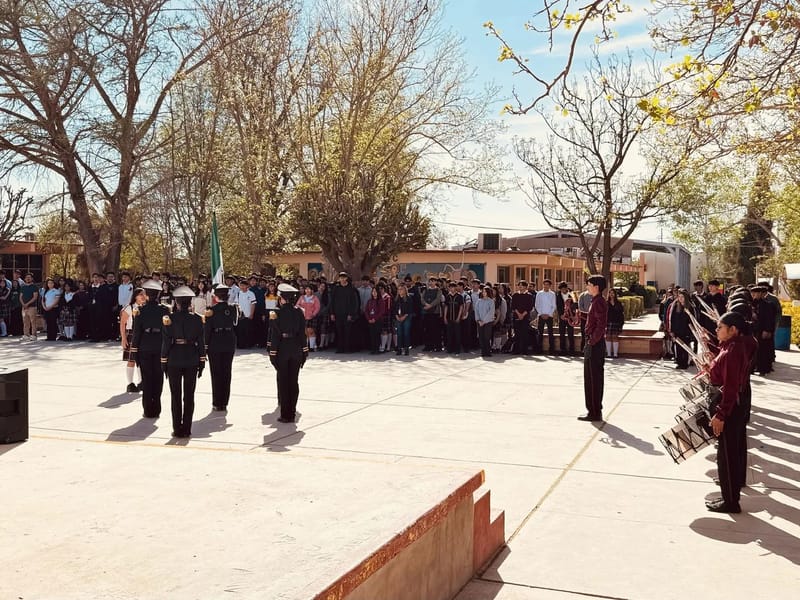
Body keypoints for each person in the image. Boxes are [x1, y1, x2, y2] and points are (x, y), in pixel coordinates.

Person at [703, 311, 755, 513]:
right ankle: (728, 497)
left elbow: (732, 386)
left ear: (733, 330)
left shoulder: (734, 350)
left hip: (730, 409)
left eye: (719, 327)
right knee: (726, 455)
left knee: (727, 456)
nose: (716, 330)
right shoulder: (731, 346)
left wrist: (721, 414)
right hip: (731, 407)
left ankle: (731, 502)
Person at [161, 285, 206, 438]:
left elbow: (166, 342)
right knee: (189, 396)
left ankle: (177, 428)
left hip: (174, 358)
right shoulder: (198, 319)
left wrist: (163, 360)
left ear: (177, 303)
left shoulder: (169, 319)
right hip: (192, 358)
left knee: (175, 396)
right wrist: (202, 361)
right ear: (190, 303)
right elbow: (201, 342)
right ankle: (186, 428)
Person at [268, 283, 308, 423]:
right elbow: (303, 334)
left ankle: (286, 414)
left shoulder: (276, 313)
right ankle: (292, 411)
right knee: (294, 381)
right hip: (296, 348)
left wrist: (272, 353)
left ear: (282, 299)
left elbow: (275, 336)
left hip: (283, 349)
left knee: (284, 382)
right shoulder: (299, 312)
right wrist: (304, 351)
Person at [131, 280, 170, 419]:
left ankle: (148, 409)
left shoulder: (140, 310)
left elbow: (136, 333)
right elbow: (168, 332)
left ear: (147, 295)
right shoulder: (165, 309)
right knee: (158, 378)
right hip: (160, 345)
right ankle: (157, 408)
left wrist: (134, 350)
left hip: (145, 346)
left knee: (147, 379)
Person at [204, 284, 238, 411]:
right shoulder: (233, 308)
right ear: (228, 296)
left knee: (216, 373)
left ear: (216, 297)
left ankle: (217, 402)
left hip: (215, 343)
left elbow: (207, 331)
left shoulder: (210, 310)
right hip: (229, 341)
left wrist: (205, 346)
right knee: (226, 372)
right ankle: (224, 402)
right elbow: (236, 323)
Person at [579, 275, 608, 422]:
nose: (587, 287)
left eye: (589, 284)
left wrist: (591, 341)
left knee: (593, 379)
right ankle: (593, 409)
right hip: (593, 343)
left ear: (596, 287)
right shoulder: (595, 301)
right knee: (590, 378)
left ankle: (595, 411)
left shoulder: (599, 302)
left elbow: (601, 326)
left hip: (595, 345)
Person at [120, 287, 146, 392]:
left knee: (142, 360)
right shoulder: (129, 308)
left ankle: (141, 382)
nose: (143, 296)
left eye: (144, 294)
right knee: (131, 360)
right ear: (135, 296)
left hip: (143, 335)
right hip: (132, 334)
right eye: (141, 294)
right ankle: (130, 383)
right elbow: (123, 323)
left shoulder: (145, 307)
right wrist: (123, 338)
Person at [330, 272, 361, 353]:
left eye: (344, 277)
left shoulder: (351, 289)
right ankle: (340, 348)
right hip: (337, 314)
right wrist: (332, 313)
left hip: (347, 314)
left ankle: (347, 348)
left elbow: (354, 303)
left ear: (346, 278)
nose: (342, 279)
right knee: (339, 332)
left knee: (348, 332)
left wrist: (351, 314)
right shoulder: (336, 289)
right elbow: (332, 301)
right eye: (341, 278)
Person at [668, 289, 694, 369]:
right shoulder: (676, 306)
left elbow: (692, 320)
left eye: (682, 297)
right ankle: (679, 363)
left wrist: (691, 332)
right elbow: (672, 319)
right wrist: (672, 330)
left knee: (685, 348)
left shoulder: (690, 307)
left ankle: (685, 363)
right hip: (677, 331)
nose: (680, 298)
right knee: (678, 348)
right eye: (679, 297)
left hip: (686, 331)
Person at [511, 281, 534, 355]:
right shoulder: (515, 295)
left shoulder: (529, 295)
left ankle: (524, 350)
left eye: (522, 285)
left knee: (525, 334)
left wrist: (523, 315)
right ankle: (516, 350)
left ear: (525, 287)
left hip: (525, 317)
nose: (520, 287)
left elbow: (530, 307)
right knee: (517, 333)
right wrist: (518, 314)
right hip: (516, 316)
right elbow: (513, 306)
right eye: (519, 285)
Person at [296, 284, 321, 351]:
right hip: (303, 317)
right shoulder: (302, 297)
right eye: (306, 289)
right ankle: (306, 346)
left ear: (312, 290)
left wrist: (314, 314)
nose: (307, 290)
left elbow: (317, 307)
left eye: (309, 289)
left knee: (311, 331)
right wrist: (300, 308)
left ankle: (312, 347)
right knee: (305, 332)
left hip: (311, 317)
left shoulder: (315, 298)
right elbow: (297, 305)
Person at [556, 282, 578, 355]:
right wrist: (561, 315)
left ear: (566, 288)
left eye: (564, 289)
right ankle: (563, 350)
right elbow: (557, 306)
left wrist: (573, 315)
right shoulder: (557, 295)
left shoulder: (572, 294)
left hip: (570, 317)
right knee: (561, 333)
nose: (563, 290)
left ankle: (572, 350)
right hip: (562, 317)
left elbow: (576, 304)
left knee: (570, 333)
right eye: (561, 289)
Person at [474, 286, 495, 357]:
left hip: (488, 322)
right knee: (481, 337)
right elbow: (476, 311)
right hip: (480, 322)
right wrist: (478, 320)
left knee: (487, 337)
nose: (484, 293)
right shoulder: (479, 301)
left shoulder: (491, 301)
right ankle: (483, 351)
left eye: (485, 292)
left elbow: (491, 312)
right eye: (483, 291)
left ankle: (488, 351)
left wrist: (484, 321)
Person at [394, 283, 414, 356]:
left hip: (406, 317)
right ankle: (399, 349)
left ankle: (406, 349)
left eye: (401, 289)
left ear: (405, 290)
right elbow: (394, 309)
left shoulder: (408, 298)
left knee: (406, 333)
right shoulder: (396, 298)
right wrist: (396, 316)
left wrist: (404, 316)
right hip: (398, 317)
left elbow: (409, 309)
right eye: (398, 289)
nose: (400, 291)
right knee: (399, 333)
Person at [364, 286, 385, 354]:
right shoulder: (369, 301)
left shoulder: (381, 300)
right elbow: (366, 310)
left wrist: (375, 319)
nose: (374, 293)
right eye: (373, 292)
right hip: (370, 320)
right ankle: (373, 349)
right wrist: (368, 319)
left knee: (377, 334)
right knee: (372, 335)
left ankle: (377, 348)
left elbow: (381, 311)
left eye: (375, 292)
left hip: (378, 321)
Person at [605, 288, 625, 359]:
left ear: (615, 294)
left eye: (613, 293)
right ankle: (609, 353)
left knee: (615, 337)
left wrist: (621, 324)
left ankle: (615, 354)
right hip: (608, 322)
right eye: (610, 293)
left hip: (616, 322)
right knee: (607, 337)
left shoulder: (618, 303)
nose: (611, 294)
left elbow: (621, 314)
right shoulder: (606, 303)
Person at [20, 272, 39, 341]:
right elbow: (20, 297)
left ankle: (34, 335)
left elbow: (35, 297)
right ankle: (26, 335)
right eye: (27, 277)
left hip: (32, 307)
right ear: (25, 279)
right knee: (25, 321)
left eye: (29, 277)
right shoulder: (23, 287)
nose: (28, 278)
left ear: (32, 279)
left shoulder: (34, 287)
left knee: (33, 321)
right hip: (24, 307)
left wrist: (27, 304)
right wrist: (23, 304)